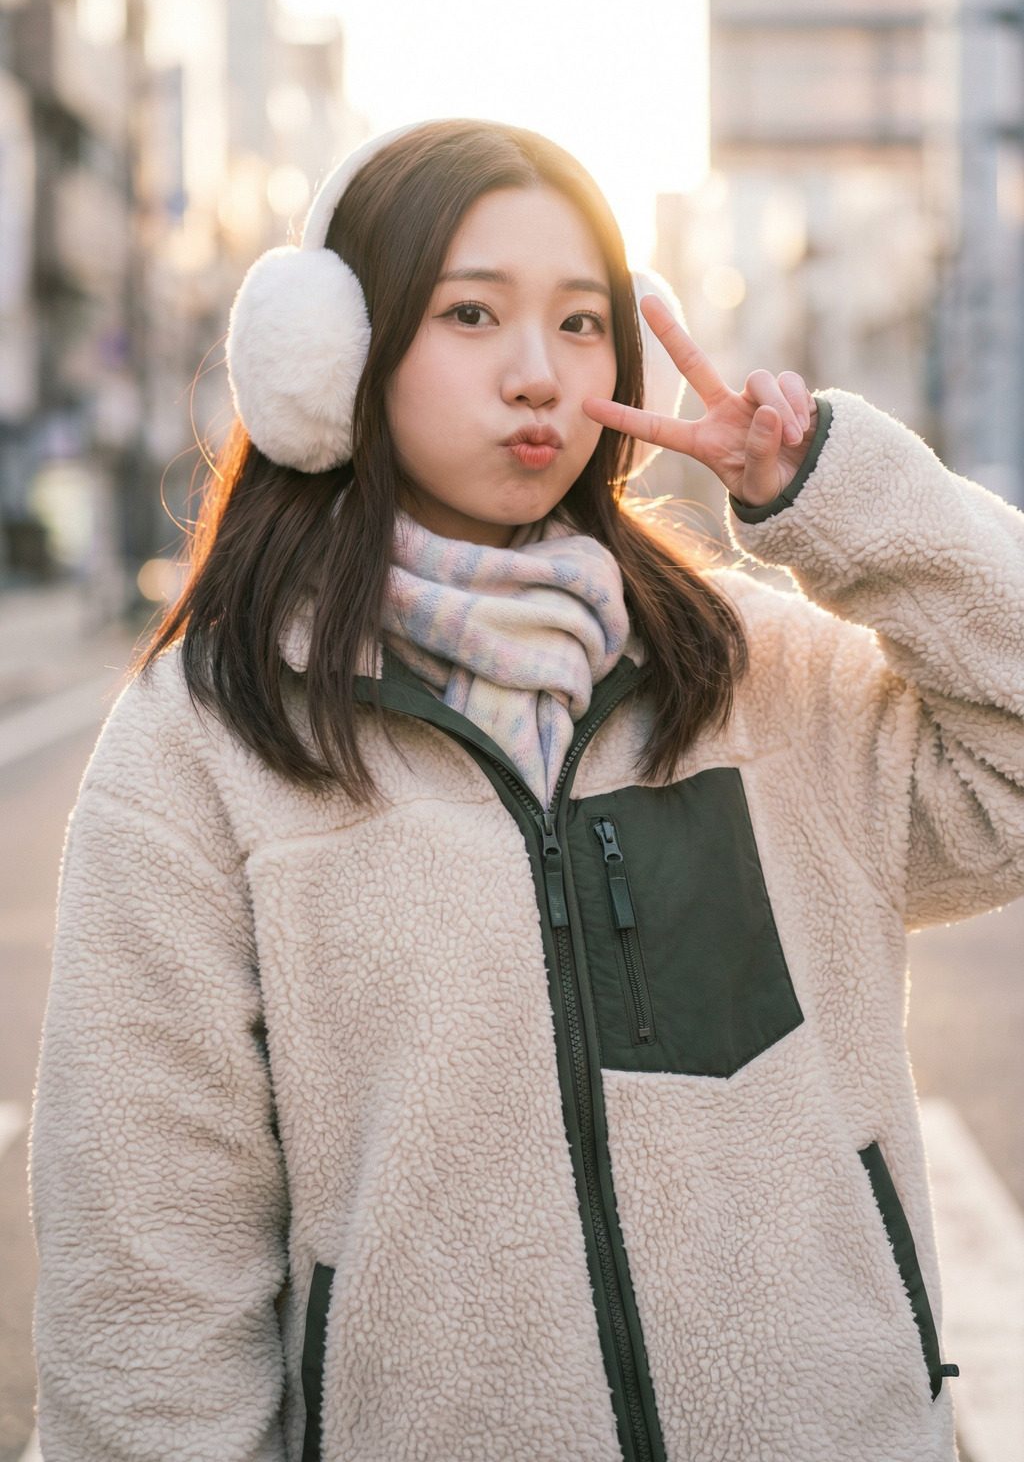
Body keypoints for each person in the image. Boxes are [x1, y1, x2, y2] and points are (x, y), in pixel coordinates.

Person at [30, 119, 1024, 1462]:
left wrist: (838, 501)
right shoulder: (207, 739)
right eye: (471, 313)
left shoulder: (759, 669)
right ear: (338, 357)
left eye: (578, 322)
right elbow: (149, 1272)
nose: (536, 373)